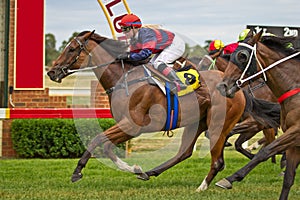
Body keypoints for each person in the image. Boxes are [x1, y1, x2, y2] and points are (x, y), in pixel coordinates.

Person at [117, 13, 187, 92]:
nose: (124, 32)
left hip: (175, 44)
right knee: (150, 65)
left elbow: (145, 54)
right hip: (165, 46)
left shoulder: (147, 34)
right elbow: (135, 55)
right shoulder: (134, 40)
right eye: (122, 30)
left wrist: (128, 56)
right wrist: (125, 55)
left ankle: (179, 82)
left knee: (158, 62)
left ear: (134, 27)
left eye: (125, 29)